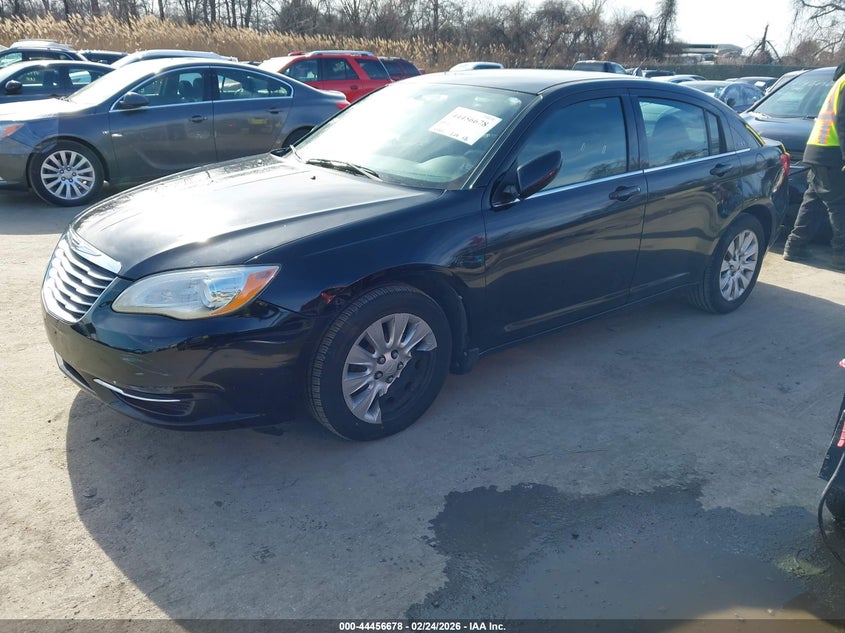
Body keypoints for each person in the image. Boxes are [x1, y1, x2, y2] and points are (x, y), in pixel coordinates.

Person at [782, 61, 845, 270]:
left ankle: (794, 246)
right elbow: (843, 120)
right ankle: (841, 255)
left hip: (818, 149)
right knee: (839, 205)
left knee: (813, 202)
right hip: (832, 153)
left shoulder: (840, 81)